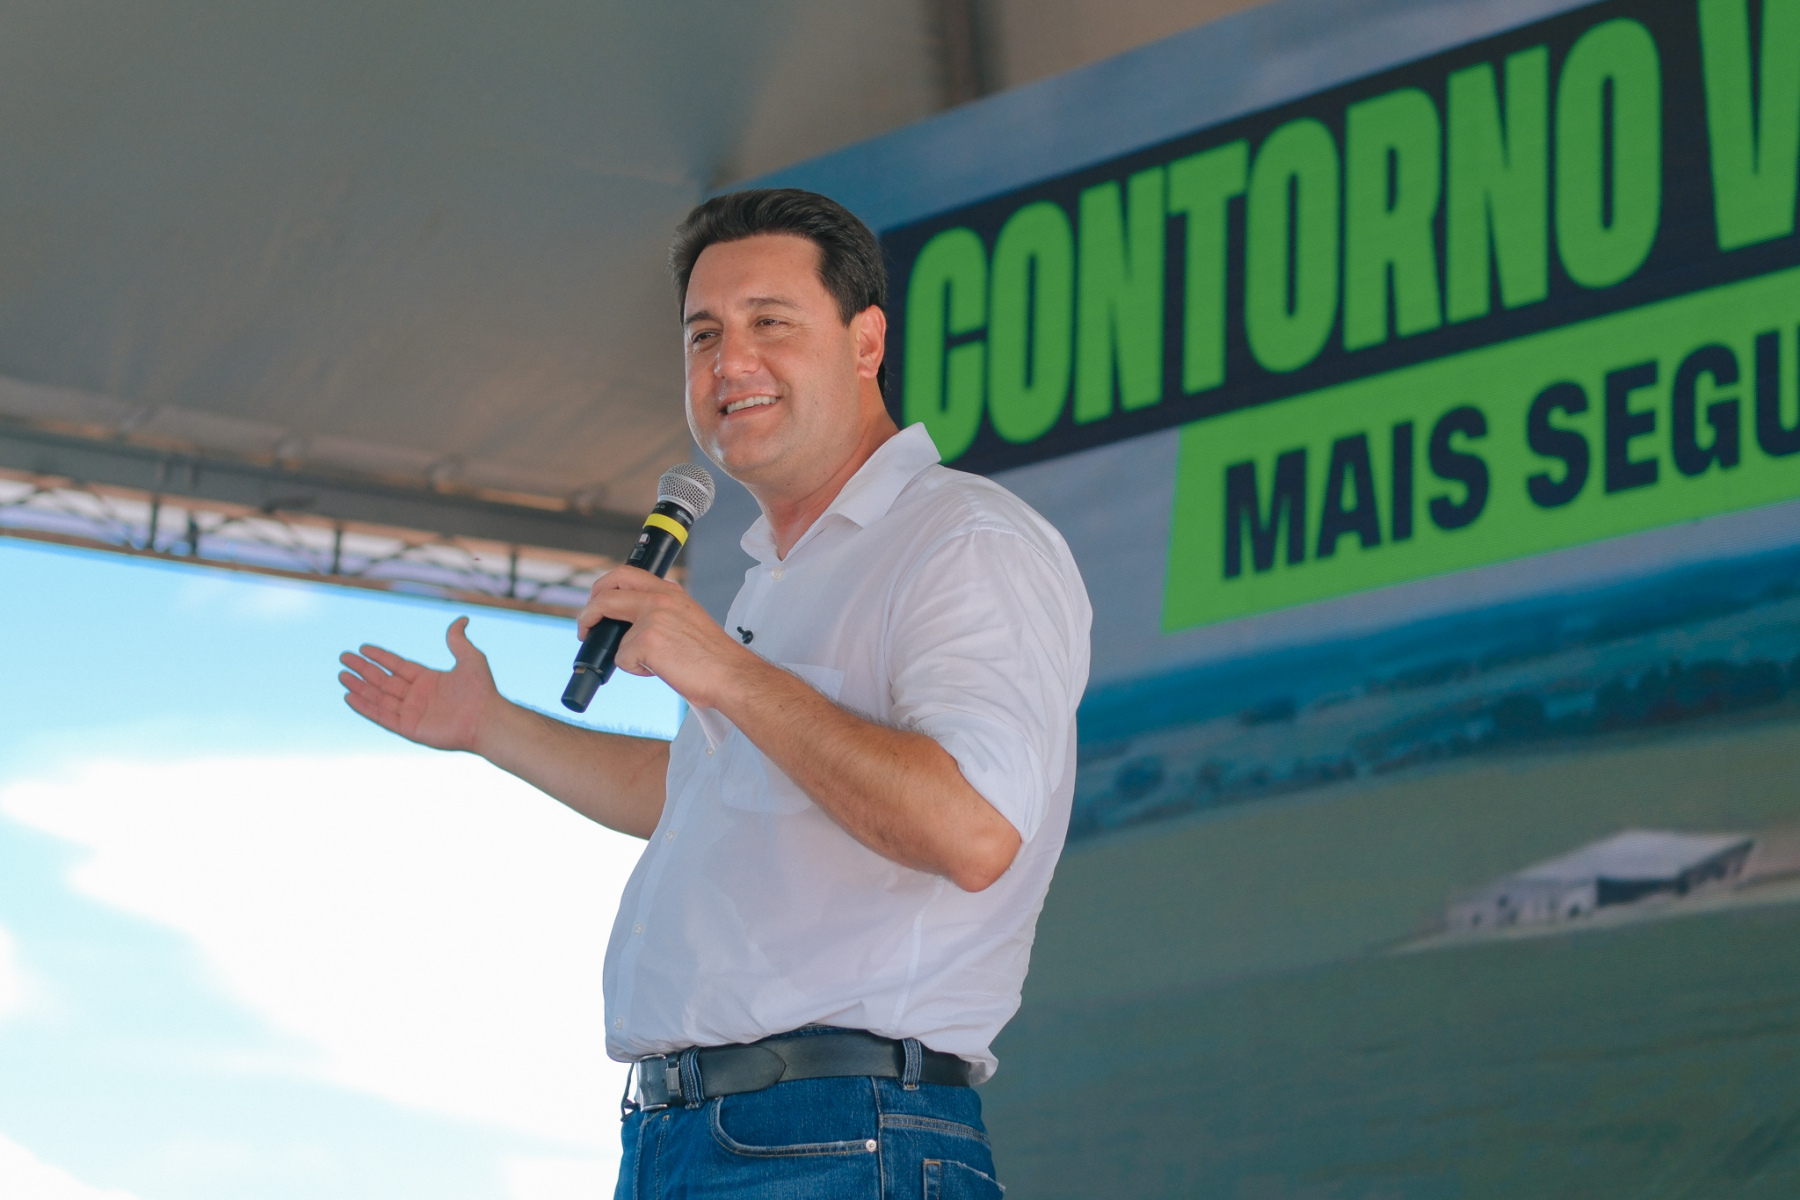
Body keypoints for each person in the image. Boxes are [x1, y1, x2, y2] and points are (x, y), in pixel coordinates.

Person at [337, 188, 1091, 1199]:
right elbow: (699, 790)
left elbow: (973, 828)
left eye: (769, 322)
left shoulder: (964, 541)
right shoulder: (777, 576)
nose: (730, 363)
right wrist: (491, 726)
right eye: (704, 335)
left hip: (840, 1136)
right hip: (688, 1142)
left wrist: (724, 669)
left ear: (866, 343)